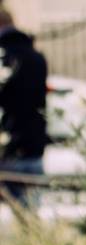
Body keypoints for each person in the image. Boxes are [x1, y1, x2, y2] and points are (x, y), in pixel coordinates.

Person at [0, 7, 48, 205]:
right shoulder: (36, 57)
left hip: (7, 146)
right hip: (34, 145)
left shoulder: (4, 57)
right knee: (30, 215)